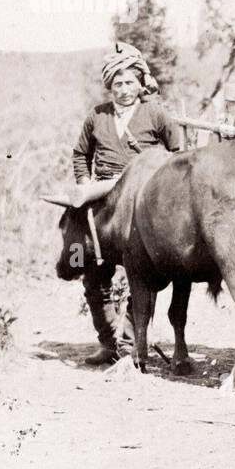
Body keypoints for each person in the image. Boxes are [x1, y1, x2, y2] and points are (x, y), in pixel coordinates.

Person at [71, 42, 182, 365]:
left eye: (130, 82)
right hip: (104, 201)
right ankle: (108, 342)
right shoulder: (97, 116)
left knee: (142, 273)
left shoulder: (156, 113)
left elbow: (177, 156)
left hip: (143, 203)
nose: (123, 90)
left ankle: (132, 344)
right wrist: (84, 185)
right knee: (92, 271)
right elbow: (80, 154)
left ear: (140, 83)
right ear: (110, 86)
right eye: (117, 84)